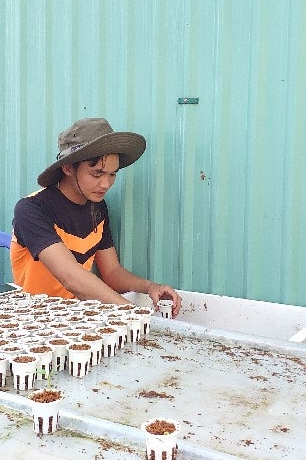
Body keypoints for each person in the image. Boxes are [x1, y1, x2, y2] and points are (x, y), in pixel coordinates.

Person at [11, 117, 182, 317]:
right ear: (68, 168)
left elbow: (112, 273)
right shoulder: (31, 209)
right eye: (97, 174)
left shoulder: (98, 208)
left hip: (79, 317)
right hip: (33, 319)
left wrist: (151, 287)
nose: (106, 184)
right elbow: (71, 278)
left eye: (112, 174)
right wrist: (132, 313)